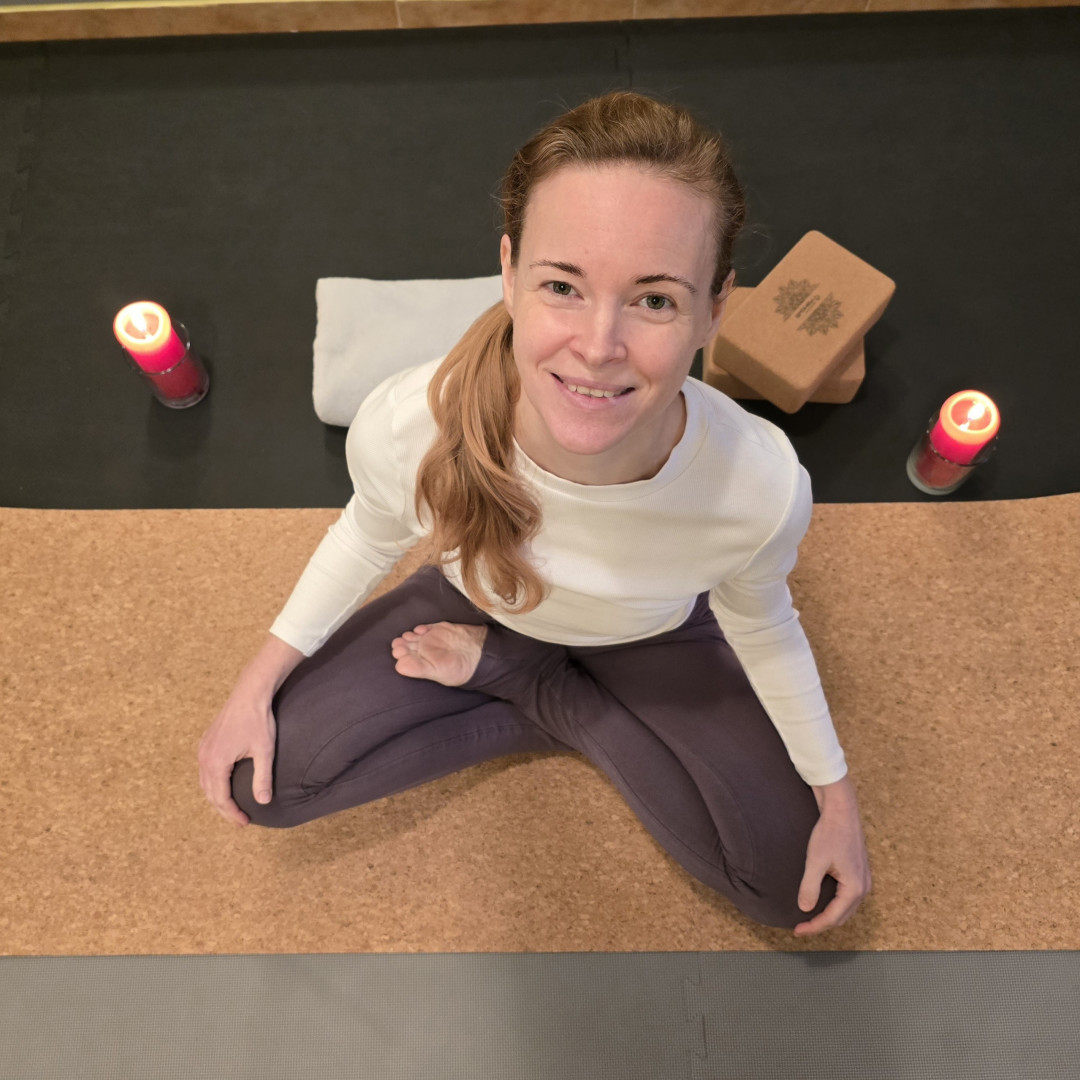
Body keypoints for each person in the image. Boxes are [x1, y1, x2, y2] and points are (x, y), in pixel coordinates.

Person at [198, 90, 871, 936]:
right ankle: (536, 680)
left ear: (714, 308)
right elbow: (366, 536)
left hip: (654, 634)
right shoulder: (412, 422)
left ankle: (534, 688)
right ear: (510, 274)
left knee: (790, 886)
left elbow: (763, 620)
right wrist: (254, 684)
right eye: (563, 286)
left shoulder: (761, 484)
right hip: (482, 594)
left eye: (654, 300)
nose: (598, 346)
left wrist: (835, 791)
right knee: (262, 783)